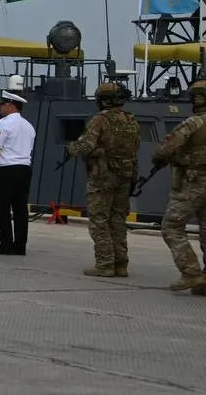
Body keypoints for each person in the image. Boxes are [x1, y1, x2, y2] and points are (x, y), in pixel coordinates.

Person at [65, 83, 138, 277]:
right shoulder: (131, 120)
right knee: (118, 220)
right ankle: (121, 264)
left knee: (99, 220)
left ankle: (105, 263)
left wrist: (72, 148)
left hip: (102, 177)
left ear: (103, 100)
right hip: (125, 176)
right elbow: (134, 148)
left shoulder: (100, 120)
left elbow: (86, 146)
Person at [151, 80, 206, 292]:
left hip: (193, 182)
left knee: (171, 226)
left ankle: (190, 272)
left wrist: (173, 157)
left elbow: (163, 150)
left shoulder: (193, 123)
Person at [0, 91, 36, 256]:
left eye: (2, 104)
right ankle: (20, 246)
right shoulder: (28, 126)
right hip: (24, 169)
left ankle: (6, 244)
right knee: (21, 209)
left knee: (2, 208)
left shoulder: (3, 124)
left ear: (11, 105)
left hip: (6, 170)